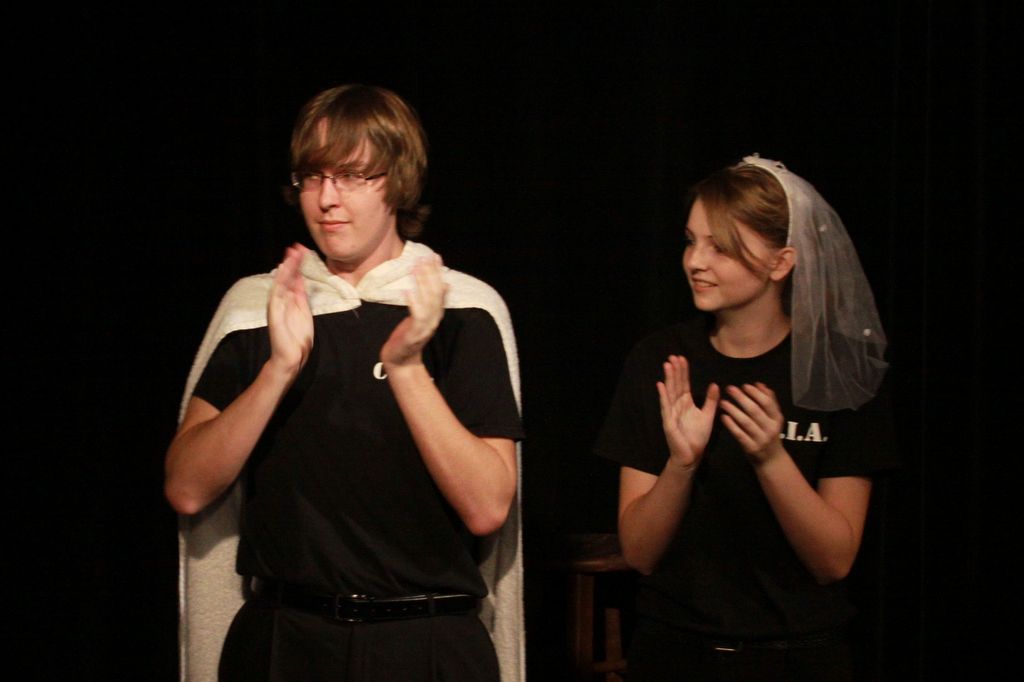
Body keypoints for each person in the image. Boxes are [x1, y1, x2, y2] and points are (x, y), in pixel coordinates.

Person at [165, 84, 525, 682]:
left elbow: (487, 506)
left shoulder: (461, 310)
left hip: (424, 642)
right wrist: (278, 370)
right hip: (285, 641)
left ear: (398, 181)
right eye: (313, 177)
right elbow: (186, 489)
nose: (327, 199)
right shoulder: (258, 307)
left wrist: (407, 368)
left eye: (354, 176)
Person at [594, 154, 896, 681]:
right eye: (691, 241)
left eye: (721, 247)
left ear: (781, 263)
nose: (695, 261)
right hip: (675, 654)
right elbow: (639, 553)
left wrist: (771, 457)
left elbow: (834, 561)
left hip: (797, 659)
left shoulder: (838, 371)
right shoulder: (661, 360)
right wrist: (681, 465)